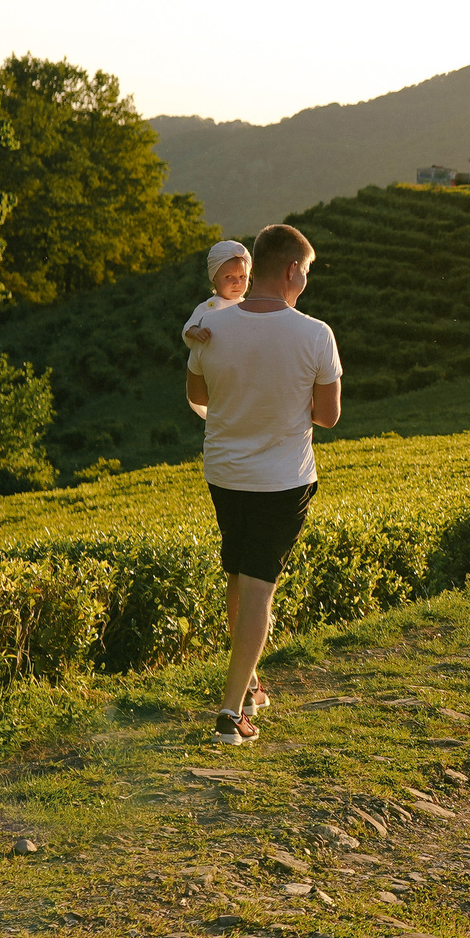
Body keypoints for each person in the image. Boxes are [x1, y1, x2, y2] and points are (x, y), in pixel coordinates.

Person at [185, 223, 343, 746]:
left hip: (225, 474)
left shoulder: (209, 328)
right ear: (293, 271)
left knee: (238, 575)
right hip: (281, 480)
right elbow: (328, 416)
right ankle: (231, 713)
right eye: (307, 273)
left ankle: (250, 684)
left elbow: (198, 395)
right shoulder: (315, 333)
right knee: (258, 587)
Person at [182, 239, 252, 416]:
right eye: (229, 277)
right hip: (217, 364)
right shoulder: (210, 307)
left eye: (242, 277)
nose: (237, 283)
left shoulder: (247, 305)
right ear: (214, 278)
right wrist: (197, 332)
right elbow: (188, 327)